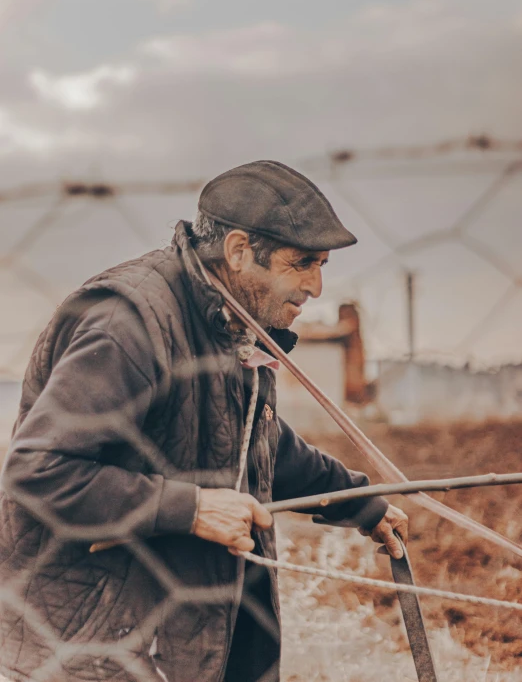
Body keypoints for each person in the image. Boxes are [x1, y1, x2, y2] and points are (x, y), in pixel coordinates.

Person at [0, 160, 408, 682]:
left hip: (187, 634)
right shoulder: (130, 325)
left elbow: (253, 437)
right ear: (238, 252)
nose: (316, 286)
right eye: (302, 263)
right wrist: (190, 509)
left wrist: (358, 501)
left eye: (322, 264)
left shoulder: (230, 322)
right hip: (96, 640)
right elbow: (39, 470)